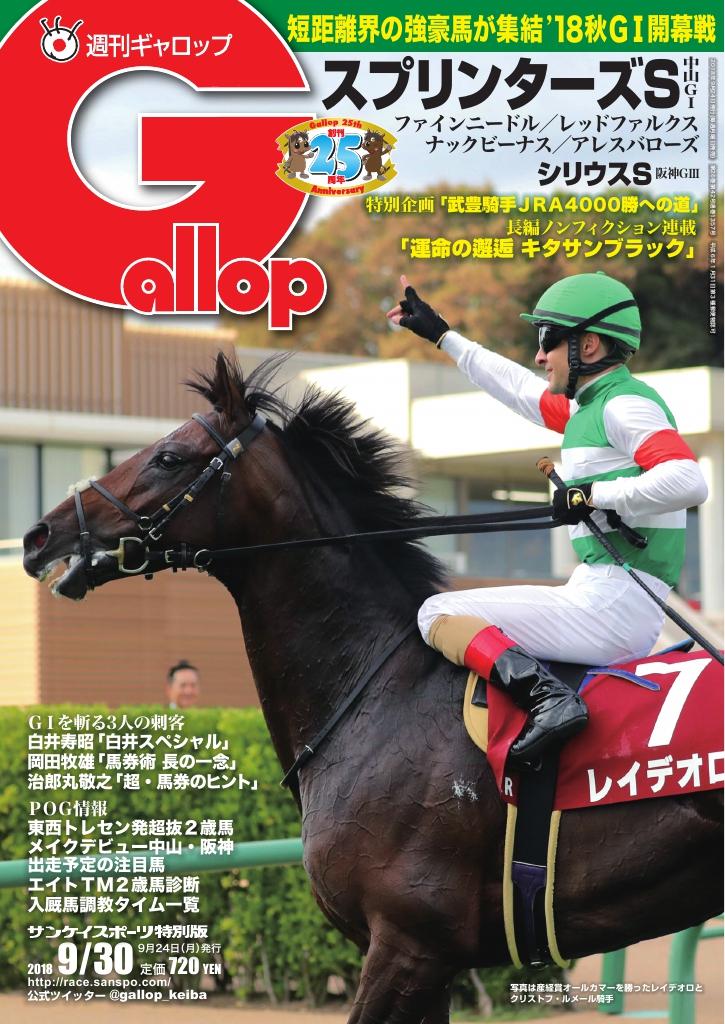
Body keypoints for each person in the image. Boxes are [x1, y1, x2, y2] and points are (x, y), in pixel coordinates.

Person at [386, 271, 708, 767]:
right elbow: (516, 387)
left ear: (590, 345)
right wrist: (443, 336)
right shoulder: (589, 409)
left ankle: (549, 701)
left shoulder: (624, 404)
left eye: (548, 340)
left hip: (615, 604)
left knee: (436, 614)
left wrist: (593, 494)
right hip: (598, 593)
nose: (539, 356)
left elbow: (689, 481)